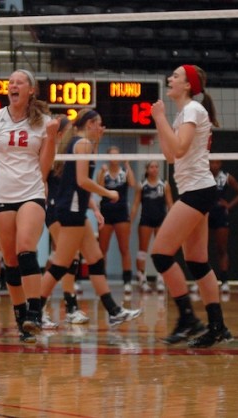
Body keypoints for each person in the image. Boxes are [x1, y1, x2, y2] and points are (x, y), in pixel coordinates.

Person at [0, 69, 59, 342]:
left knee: (25, 250)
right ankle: (22, 318)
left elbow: (45, 167)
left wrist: (53, 137)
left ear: (31, 90)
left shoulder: (44, 123)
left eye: (19, 82)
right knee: (10, 260)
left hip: (31, 192)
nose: (13, 85)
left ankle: (35, 311)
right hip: (0, 195)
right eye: (10, 82)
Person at [150, 65, 232, 348]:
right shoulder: (184, 113)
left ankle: (188, 319)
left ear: (187, 85)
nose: (169, 78)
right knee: (197, 262)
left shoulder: (194, 110)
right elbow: (170, 156)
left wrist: (160, 117)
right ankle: (217, 326)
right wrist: (160, 121)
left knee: (161, 254)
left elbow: (181, 149)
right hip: (197, 189)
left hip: (197, 191)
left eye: (175, 76)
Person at [38, 109, 142, 332]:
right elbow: (83, 180)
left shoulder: (81, 144)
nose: (101, 127)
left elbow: (82, 174)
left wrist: (97, 142)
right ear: (91, 123)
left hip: (76, 209)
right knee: (61, 265)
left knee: (95, 260)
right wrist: (109, 193)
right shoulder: (81, 144)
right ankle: (34, 311)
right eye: (99, 123)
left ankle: (114, 311)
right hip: (71, 210)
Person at [42, 115, 90, 325]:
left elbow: (80, 184)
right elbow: (42, 178)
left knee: (65, 256)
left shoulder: (71, 151)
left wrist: (94, 208)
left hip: (67, 209)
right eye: (68, 129)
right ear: (60, 133)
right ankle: (44, 307)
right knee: (66, 256)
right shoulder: (52, 151)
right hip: (53, 209)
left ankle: (66, 306)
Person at [96, 146, 137, 292]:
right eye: (112, 155)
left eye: (117, 155)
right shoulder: (104, 172)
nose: (114, 157)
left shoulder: (124, 172)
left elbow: (133, 184)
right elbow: (98, 187)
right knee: (102, 249)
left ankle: (127, 281)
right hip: (106, 213)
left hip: (121, 214)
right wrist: (101, 171)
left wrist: (127, 165)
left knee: (124, 248)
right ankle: (103, 280)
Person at [129, 161, 173, 292]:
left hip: (161, 220)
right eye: (152, 167)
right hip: (146, 220)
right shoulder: (141, 185)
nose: (155, 169)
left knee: (160, 251)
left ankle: (160, 278)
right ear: (147, 169)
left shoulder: (164, 184)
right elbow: (136, 204)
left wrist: (173, 221)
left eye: (156, 167)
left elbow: (170, 203)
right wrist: (130, 222)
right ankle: (142, 279)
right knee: (142, 250)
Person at [207, 159, 238, 294]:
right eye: (212, 163)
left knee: (222, 248)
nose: (214, 165)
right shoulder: (203, 175)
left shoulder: (226, 177)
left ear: (220, 164)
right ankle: (203, 281)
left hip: (220, 215)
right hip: (205, 215)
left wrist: (229, 205)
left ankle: (224, 281)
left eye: (217, 163)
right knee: (202, 250)